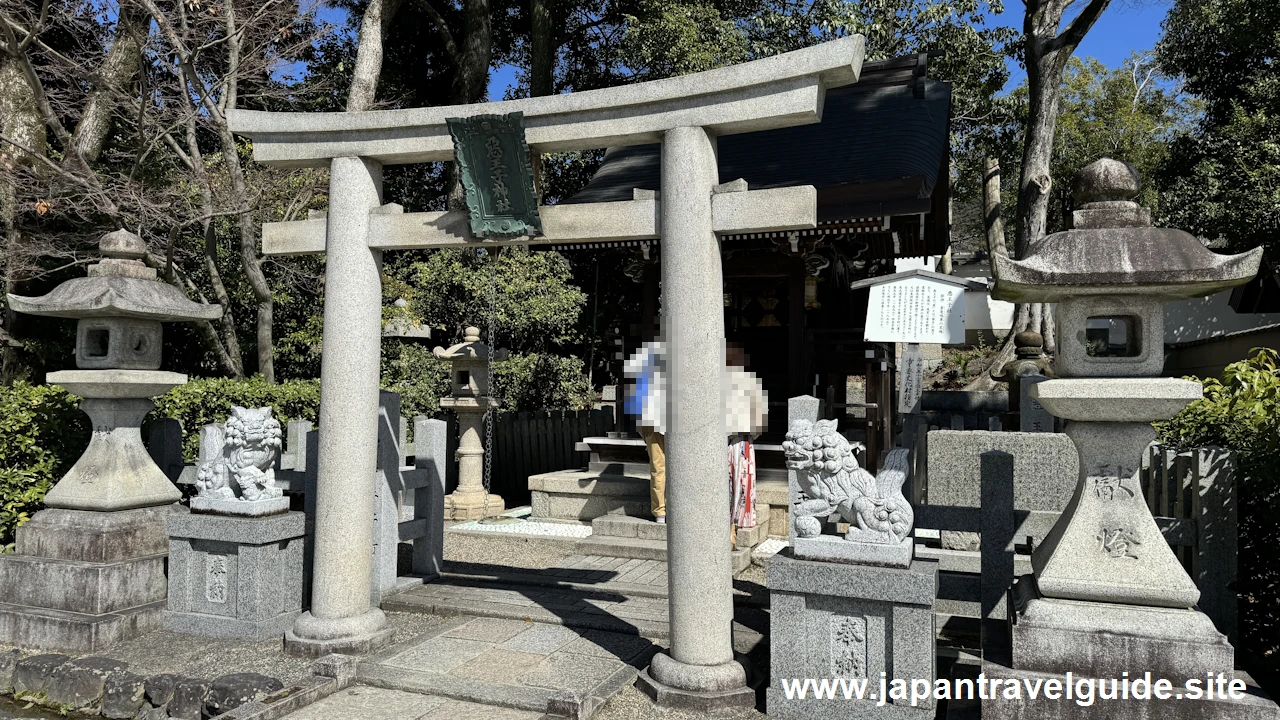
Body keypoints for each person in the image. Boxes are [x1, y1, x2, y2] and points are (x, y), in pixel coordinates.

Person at [723, 342, 767, 548]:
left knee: (735, 484)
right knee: (737, 483)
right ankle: (735, 524)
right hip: (740, 442)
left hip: (735, 442)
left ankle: (733, 525)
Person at [623, 341, 666, 523]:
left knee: (659, 467)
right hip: (656, 421)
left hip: (661, 421)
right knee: (659, 466)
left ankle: (661, 511)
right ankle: (660, 511)